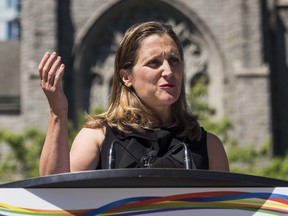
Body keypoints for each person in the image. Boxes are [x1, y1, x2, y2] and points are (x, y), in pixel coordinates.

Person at [38, 21, 229, 176]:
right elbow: (55, 191)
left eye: (174, 61)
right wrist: (58, 113)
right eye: (154, 63)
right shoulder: (98, 136)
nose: (169, 71)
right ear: (126, 77)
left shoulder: (209, 146)